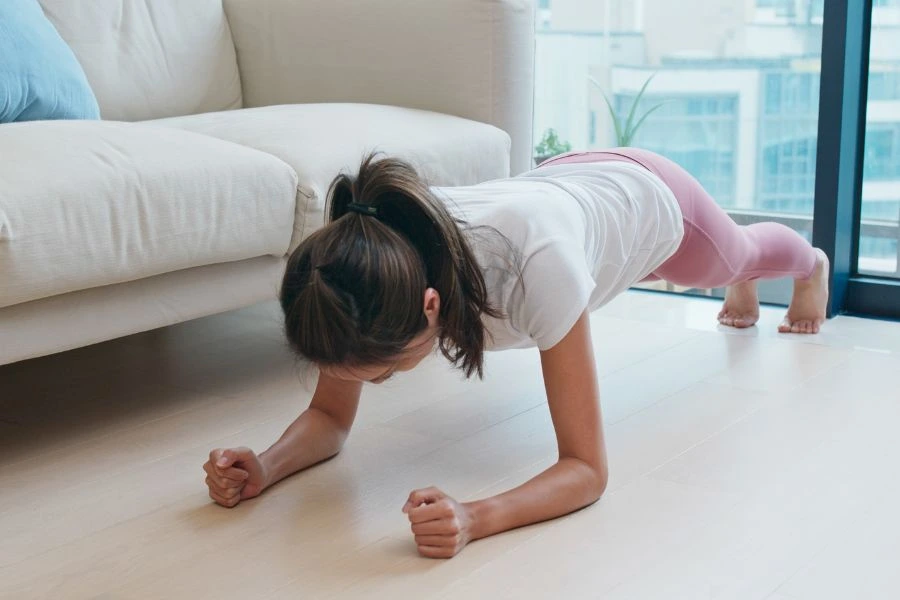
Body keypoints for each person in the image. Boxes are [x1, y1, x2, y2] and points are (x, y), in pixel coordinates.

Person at [202, 149, 829, 558]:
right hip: (565, 180)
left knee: (733, 255)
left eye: (387, 370)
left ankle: (809, 265)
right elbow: (332, 420)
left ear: (428, 307)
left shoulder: (537, 269)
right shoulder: (361, 271)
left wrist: (476, 517)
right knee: (721, 265)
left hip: (651, 197)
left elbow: (587, 470)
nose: (376, 383)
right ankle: (743, 279)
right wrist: (265, 465)